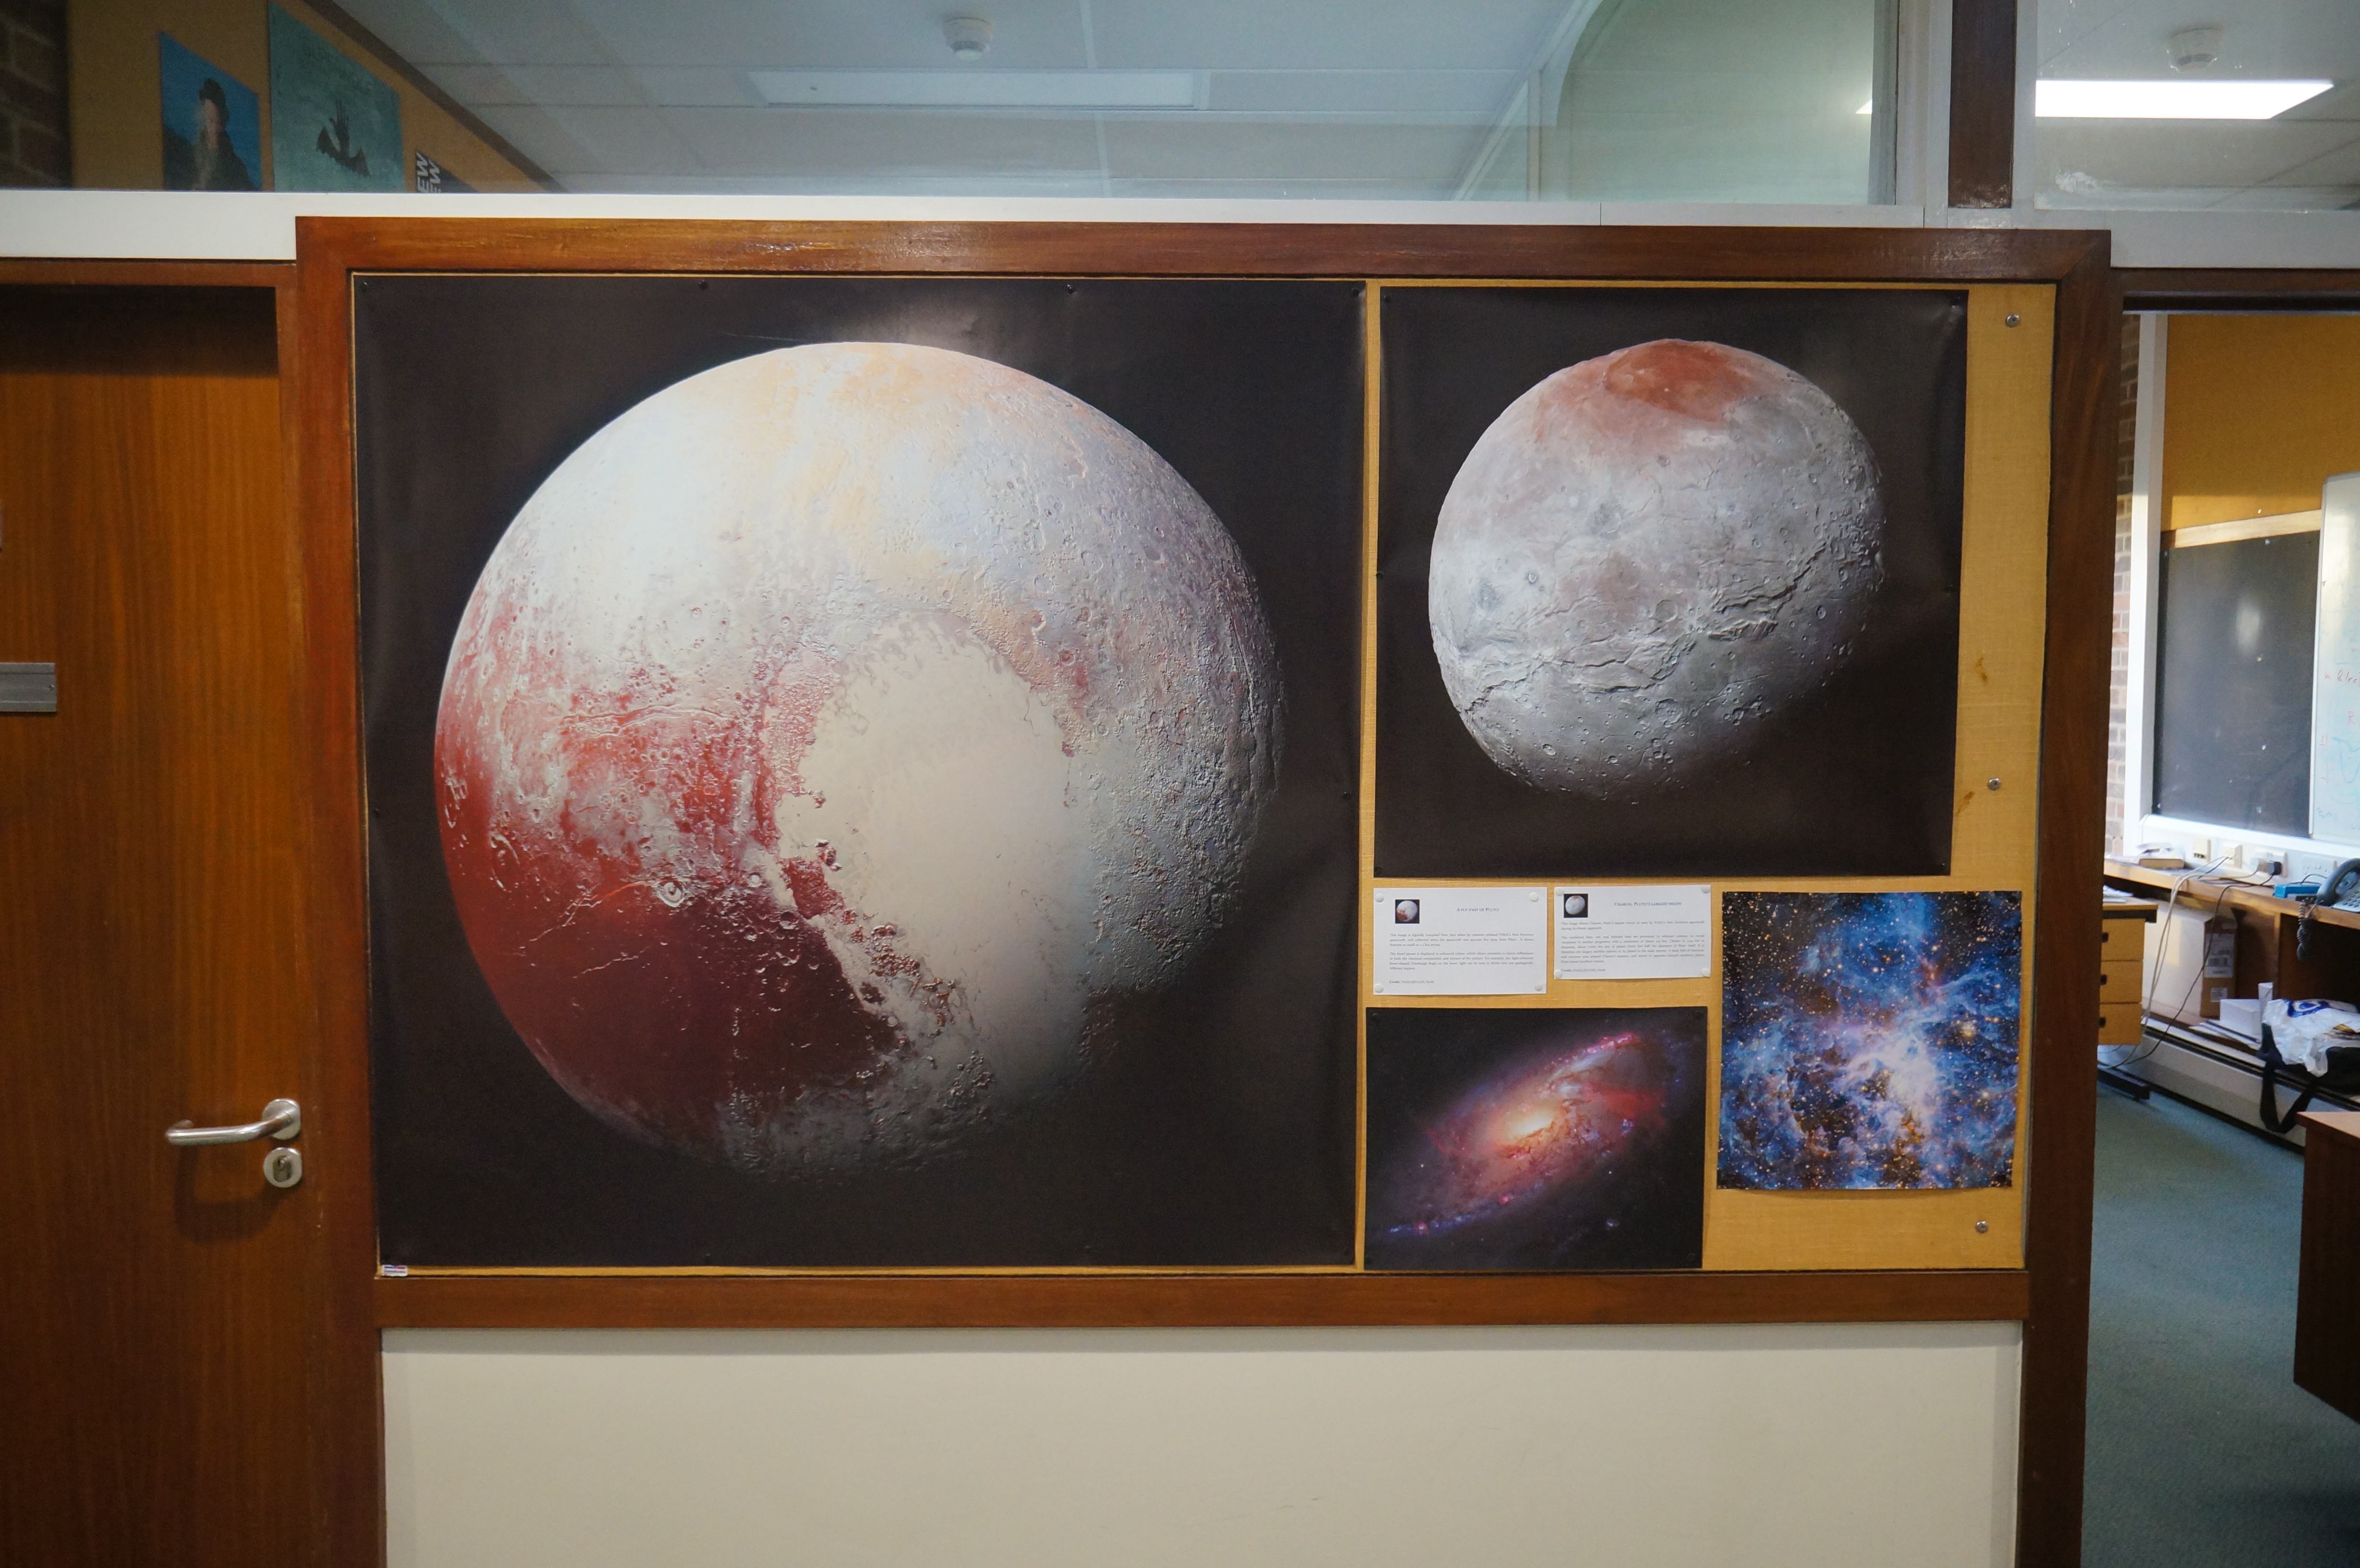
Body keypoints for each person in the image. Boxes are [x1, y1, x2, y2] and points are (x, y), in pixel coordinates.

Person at [162, 77, 257, 192]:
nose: (214, 128)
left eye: (217, 122)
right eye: (210, 120)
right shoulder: (188, 157)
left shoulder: (236, 167)